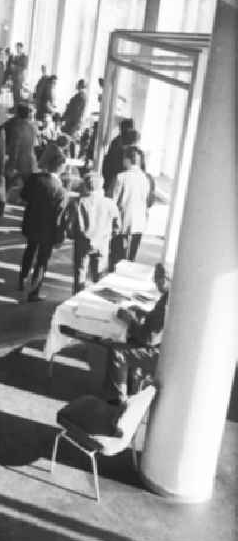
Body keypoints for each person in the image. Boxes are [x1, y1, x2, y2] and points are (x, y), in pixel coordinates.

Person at [104, 263, 170, 402]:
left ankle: (119, 402)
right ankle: (132, 390)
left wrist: (130, 320)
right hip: (163, 346)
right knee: (129, 340)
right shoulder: (169, 296)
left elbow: (148, 339)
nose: (155, 282)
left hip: (160, 353)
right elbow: (157, 321)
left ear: (167, 279)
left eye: (158, 279)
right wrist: (142, 312)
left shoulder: (167, 301)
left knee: (117, 352)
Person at [18, 145, 68, 301]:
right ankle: (34, 291)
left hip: (32, 222)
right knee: (42, 260)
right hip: (48, 229)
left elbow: (23, 195)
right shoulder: (60, 190)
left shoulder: (35, 178)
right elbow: (60, 215)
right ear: (60, 168)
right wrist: (60, 236)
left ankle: (22, 278)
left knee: (29, 250)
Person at [67, 174, 120, 293]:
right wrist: (109, 236)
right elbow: (117, 226)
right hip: (102, 243)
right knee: (99, 277)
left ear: (86, 186)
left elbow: (70, 226)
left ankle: (77, 299)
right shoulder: (110, 204)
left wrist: (74, 236)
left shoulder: (78, 202)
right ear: (101, 187)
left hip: (82, 243)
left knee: (80, 273)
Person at [112, 146, 152, 263]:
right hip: (139, 221)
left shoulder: (121, 177)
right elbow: (147, 199)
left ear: (128, 159)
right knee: (132, 256)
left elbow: (114, 200)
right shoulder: (146, 178)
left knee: (118, 255)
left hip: (122, 220)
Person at [4, 103, 38, 191]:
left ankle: (2, 202)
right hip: (29, 159)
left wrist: (12, 162)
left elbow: (15, 145)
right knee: (28, 185)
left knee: (7, 182)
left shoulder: (14, 125)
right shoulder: (33, 127)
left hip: (17, 159)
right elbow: (35, 144)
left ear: (17, 112)